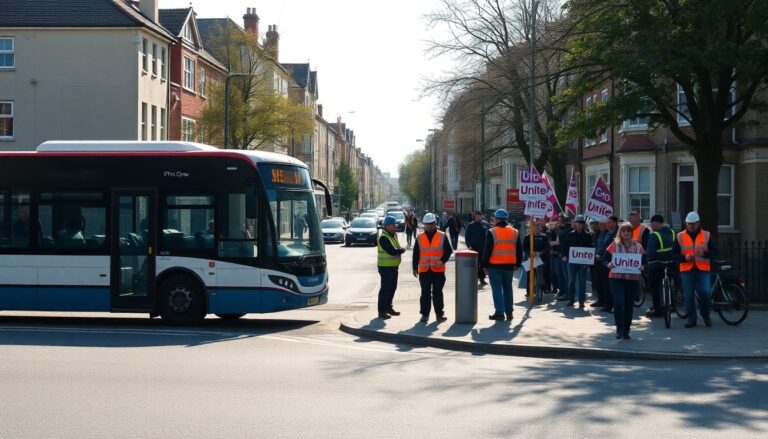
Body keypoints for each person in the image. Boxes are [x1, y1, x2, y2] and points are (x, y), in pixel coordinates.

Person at [674, 211, 719, 328]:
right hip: (686, 269)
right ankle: (691, 319)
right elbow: (674, 254)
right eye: (689, 223)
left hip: (702, 269)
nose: (691, 226)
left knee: (705, 293)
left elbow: (715, 252)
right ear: (686, 223)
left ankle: (705, 315)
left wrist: (704, 253)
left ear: (699, 223)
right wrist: (684, 257)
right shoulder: (680, 236)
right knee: (688, 295)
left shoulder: (706, 235)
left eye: (693, 223)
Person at [605, 222, 645, 339]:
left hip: (632, 280)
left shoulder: (638, 247)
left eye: (628, 231)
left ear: (632, 232)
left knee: (629, 305)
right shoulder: (614, 245)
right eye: (623, 231)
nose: (626, 233)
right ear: (620, 232)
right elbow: (604, 259)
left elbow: (645, 262)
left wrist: (643, 266)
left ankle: (626, 330)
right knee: (619, 301)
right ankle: (619, 328)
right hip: (616, 278)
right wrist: (608, 264)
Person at [483, 209, 522, 321]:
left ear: (496, 219)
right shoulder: (514, 231)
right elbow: (519, 250)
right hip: (509, 265)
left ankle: (500, 313)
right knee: (508, 288)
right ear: (506, 219)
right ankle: (509, 312)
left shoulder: (492, 231)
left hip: (495, 266)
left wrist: (484, 265)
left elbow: (487, 250)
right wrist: (517, 264)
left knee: (497, 289)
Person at [413, 212, 452, 322]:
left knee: (437, 293)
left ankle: (439, 314)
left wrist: (442, 261)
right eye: (427, 224)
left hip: (438, 270)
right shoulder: (419, 237)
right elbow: (416, 253)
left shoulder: (442, 235)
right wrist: (414, 268)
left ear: (435, 223)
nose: (429, 226)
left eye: (431, 224)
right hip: (425, 270)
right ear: (424, 224)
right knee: (425, 293)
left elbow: (449, 251)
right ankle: (425, 314)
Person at [645, 214, 676, 317]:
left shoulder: (655, 235)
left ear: (656, 223)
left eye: (651, 223)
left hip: (657, 265)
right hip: (672, 263)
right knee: (670, 285)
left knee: (655, 286)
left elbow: (649, 253)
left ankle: (657, 309)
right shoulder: (673, 232)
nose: (651, 225)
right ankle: (672, 306)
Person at [377, 216, 406, 320]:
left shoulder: (393, 235)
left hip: (393, 266)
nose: (395, 227)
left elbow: (395, 248)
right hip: (385, 268)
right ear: (387, 226)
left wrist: (399, 250)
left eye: (395, 225)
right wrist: (401, 250)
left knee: (392, 288)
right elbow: (392, 251)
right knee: (385, 289)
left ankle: (389, 308)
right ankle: (381, 311)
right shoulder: (384, 237)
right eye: (393, 225)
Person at [561, 215, 594, 309]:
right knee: (571, 281)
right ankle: (571, 299)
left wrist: (588, 262)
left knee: (582, 281)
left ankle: (581, 301)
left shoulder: (588, 236)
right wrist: (564, 255)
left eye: (581, 223)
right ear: (575, 224)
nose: (580, 225)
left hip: (583, 263)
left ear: (584, 225)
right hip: (571, 262)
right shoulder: (570, 234)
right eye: (578, 223)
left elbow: (591, 248)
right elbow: (565, 246)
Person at [594, 216, 619, 312]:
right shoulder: (603, 233)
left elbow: (609, 248)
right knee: (600, 282)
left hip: (610, 261)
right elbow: (599, 245)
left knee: (608, 285)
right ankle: (602, 300)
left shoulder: (617, 234)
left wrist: (602, 256)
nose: (607, 224)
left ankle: (609, 304)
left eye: (609, 222)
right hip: (600, 261)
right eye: (607, 222)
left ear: (615, 223)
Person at [520, 220, 550, 297]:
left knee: (545, 273)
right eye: (535, 227)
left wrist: (541, 253)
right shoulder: (527, 237)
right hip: (531, 259)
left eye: (538, 227)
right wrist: (530, 253)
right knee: (529, 275)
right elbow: (524, 247)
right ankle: (529, 291)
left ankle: (545, 288)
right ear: (532, 228)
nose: (537, 229)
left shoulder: (544, 236)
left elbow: (547, 247)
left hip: (542, 258)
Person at [464, 210, 490, 286]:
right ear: (475, 216)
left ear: (482, 216)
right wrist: (469, 246)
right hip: (473, 248)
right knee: (474, 264)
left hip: (483, 248)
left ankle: (482, 279)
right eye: (477, 216)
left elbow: (489, 236)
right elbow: (467, 237)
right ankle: (473, 278)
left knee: (482, 264)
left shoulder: (485, 225)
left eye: (480, 216)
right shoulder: (470, 225)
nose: (478, 218)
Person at [553, 213, 573, 300]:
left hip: (565, 255)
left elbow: (565, 242)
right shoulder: (557, 228)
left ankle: (567, 293)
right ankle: (561, 291)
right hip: (557, 254)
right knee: (559, 274)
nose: (559, 219)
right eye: (558, 218)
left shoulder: (569, 229)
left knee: (566, 275)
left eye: (560, 218)